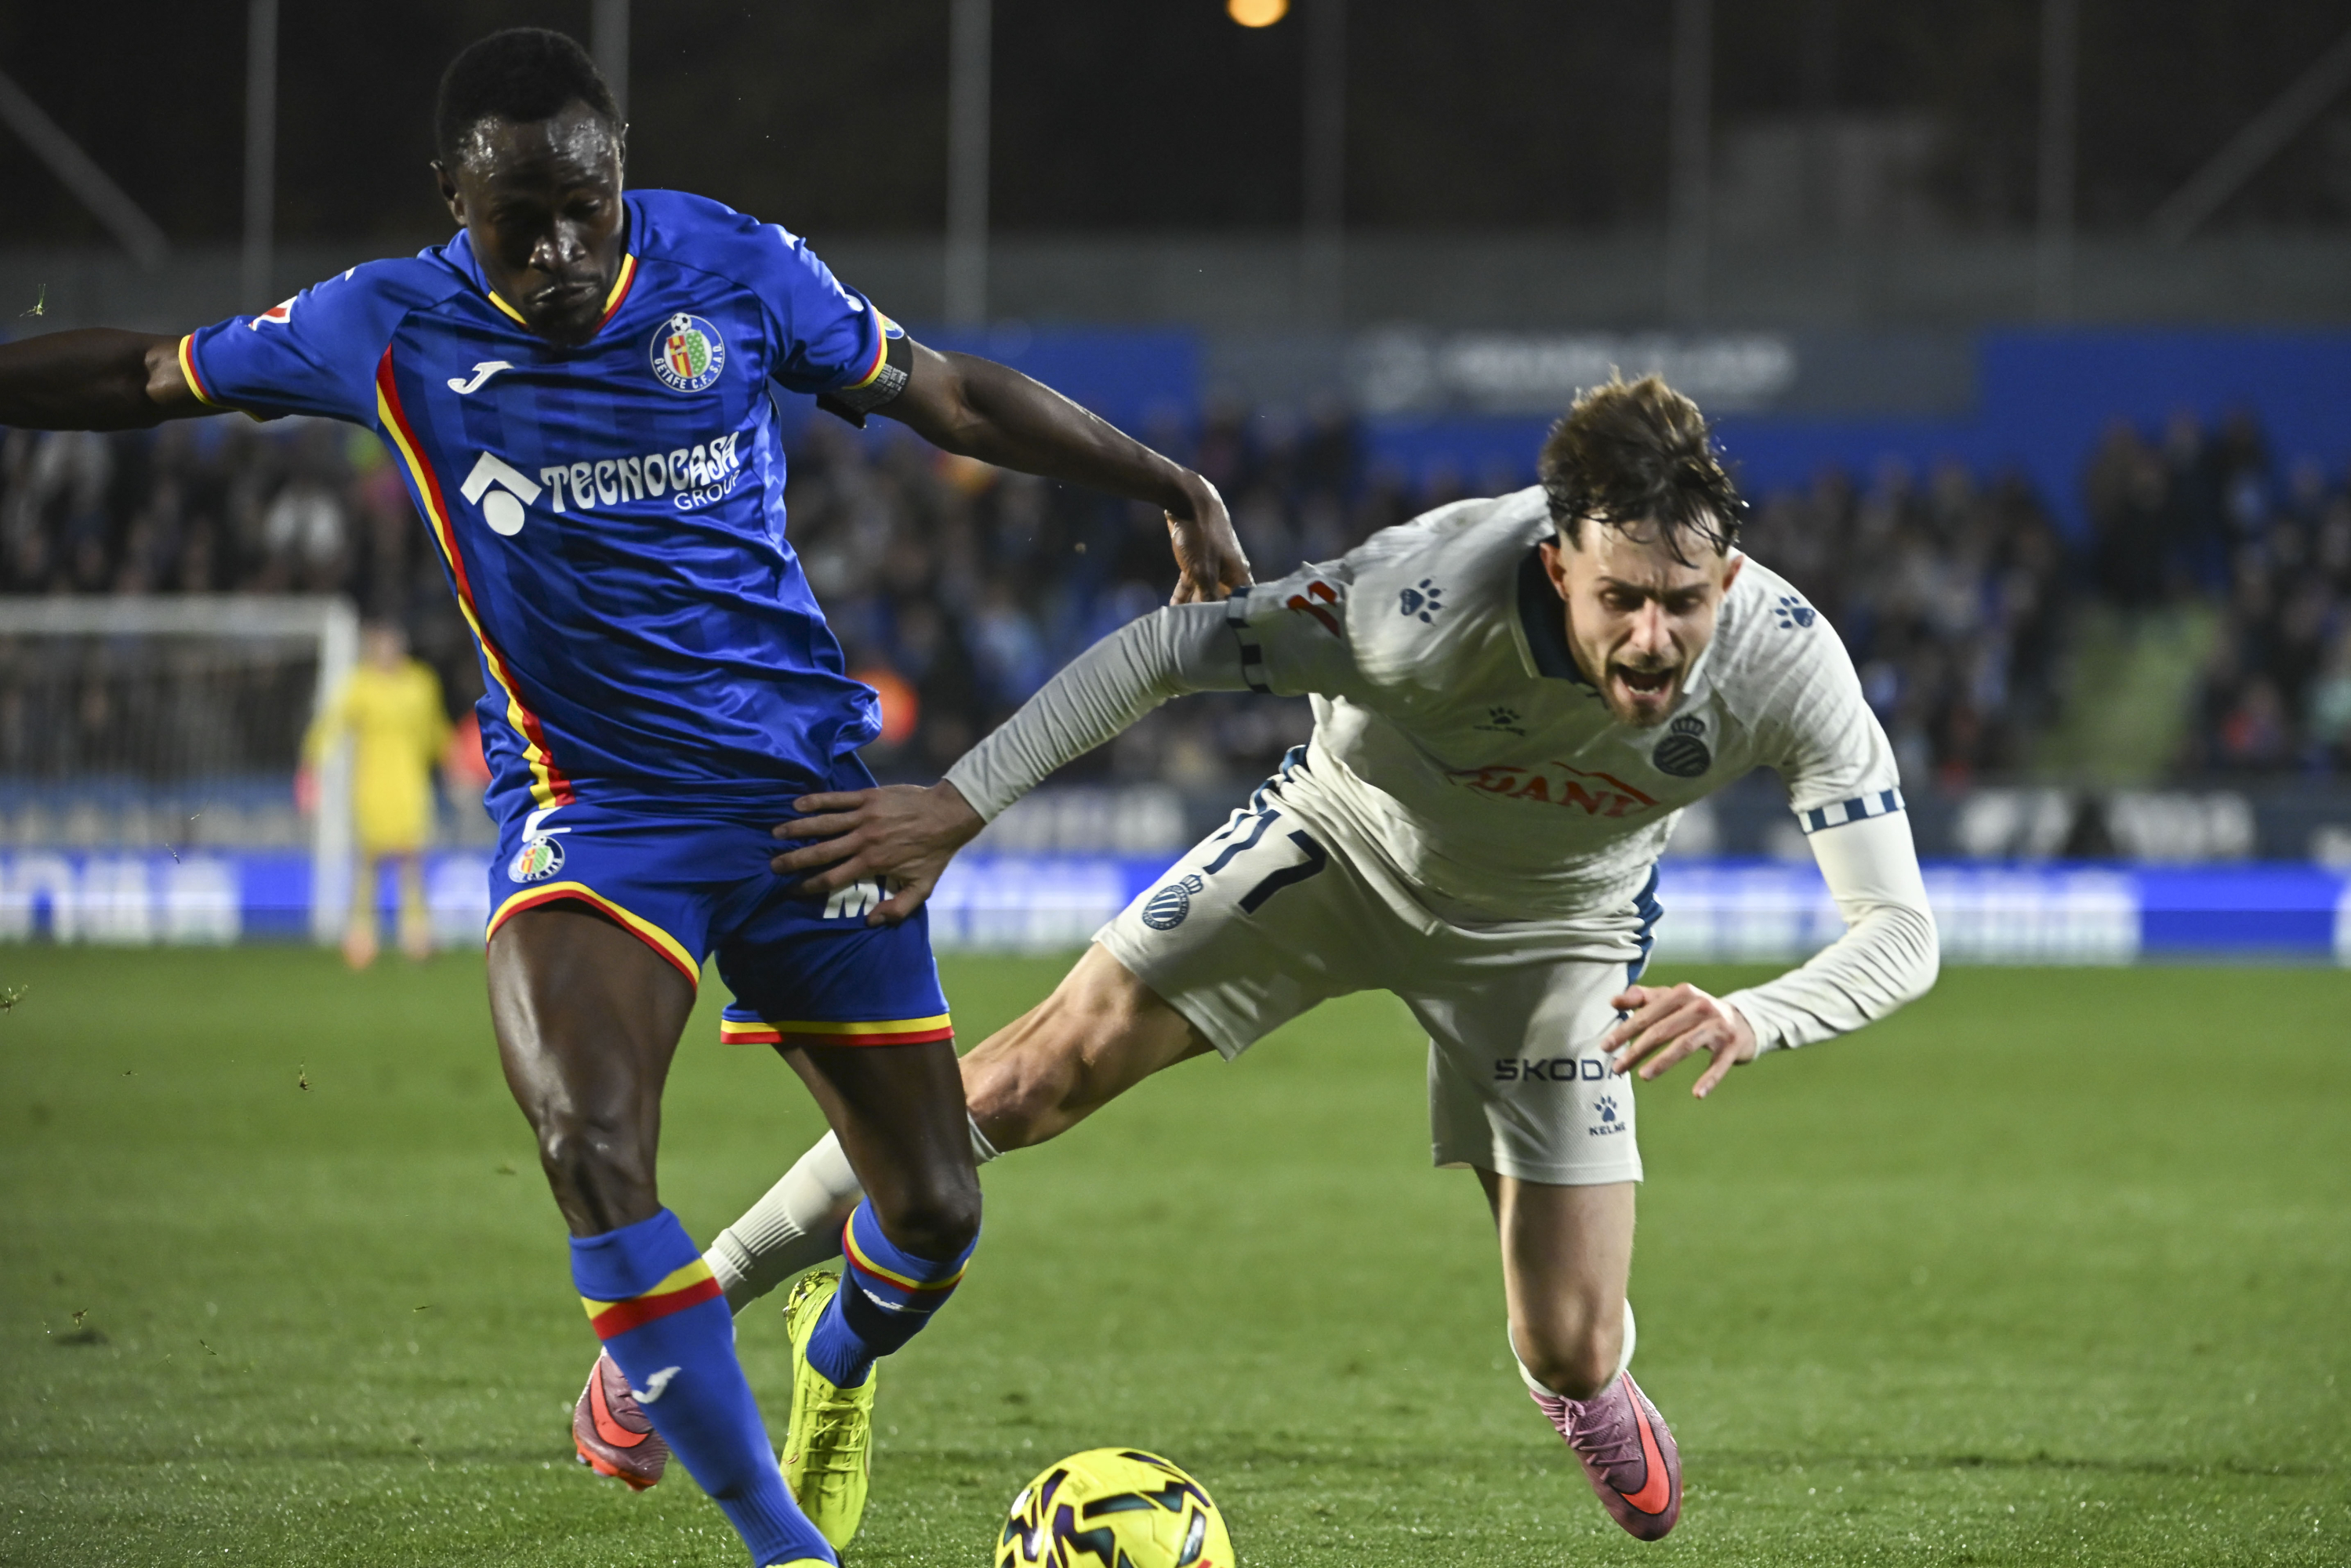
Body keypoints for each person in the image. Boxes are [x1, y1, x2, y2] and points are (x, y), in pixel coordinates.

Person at [0, 29, 1246, 1568]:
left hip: (802, 804)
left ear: (620, 166)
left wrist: (1167, 485)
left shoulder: (727, 264)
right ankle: (787, 1549)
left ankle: (830, 1361)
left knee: (931, 1210)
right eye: (514, 213)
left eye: (584, 201)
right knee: (592, 1144)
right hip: (599, 815)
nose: (558, 244)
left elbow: (945, 392)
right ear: (450, 199)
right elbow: (141, 373)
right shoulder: (382, 325)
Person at [658, 375, 1939, 1543]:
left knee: (1567, 1342)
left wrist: (1752, 1017)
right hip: (1335, 848)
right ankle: (683, 1316)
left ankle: (1585, 1385)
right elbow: (1168, 651)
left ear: (1724, 584)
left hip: (1553, 937)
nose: (1654, 639)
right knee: (1006, 1089)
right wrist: (959, 801)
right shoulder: (1416, 598)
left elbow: (1897, 934)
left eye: (1681, 604)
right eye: (1622, 600)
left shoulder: (1785, 663)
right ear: (1556, 570)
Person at [300, 619, 452, 967]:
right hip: (372, 783)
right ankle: (361, 936)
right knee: (369, 860)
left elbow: (434, 729)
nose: (387, 651)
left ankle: (416, 934)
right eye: (381, 645)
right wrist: (311, 766)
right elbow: (332, 725)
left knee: (412, 857)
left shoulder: (421, 682)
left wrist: (452, 759)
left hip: (411, 783)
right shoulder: (361, 684)